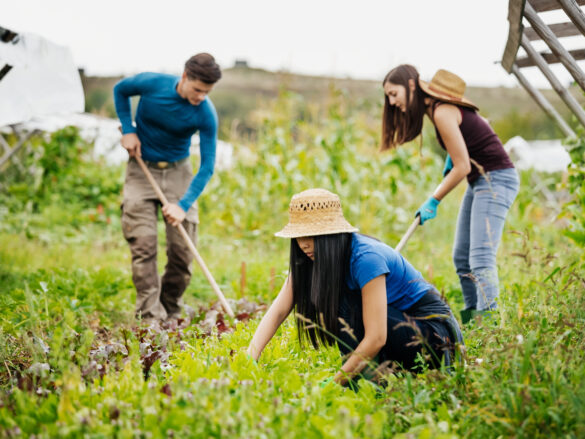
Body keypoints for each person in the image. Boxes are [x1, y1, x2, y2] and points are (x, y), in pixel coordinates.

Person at [247, 189, 463, 385]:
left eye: (310, 236)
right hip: (400, 329)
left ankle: (362, 380)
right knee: (335, 298)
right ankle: (365, 376)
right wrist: (250, 356)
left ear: (331, 235)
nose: (303, 244)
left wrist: (335, 383)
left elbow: (377, 337)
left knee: (345, 305)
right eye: (298, 237)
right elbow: (278, 311)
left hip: (436, 338)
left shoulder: (366, 258)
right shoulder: (312, 259)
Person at [381, 65, 519, 323]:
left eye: (393, 93)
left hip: (496, 179)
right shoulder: (438, 110)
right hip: (480, 181)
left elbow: (462, 166)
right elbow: (480, 126)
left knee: (480, 258)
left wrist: (433, 200)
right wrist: (454, 155)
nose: (392, 101)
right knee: (461, 257)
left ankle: (489, 329)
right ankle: (473, 324)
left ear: (411, 86)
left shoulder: (442, 111)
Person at [113, 53, 221, 323]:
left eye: (206, 93)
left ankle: (170, 307)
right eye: (197, 90)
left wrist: (182, 205)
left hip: (178, 173)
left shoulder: (206, 113)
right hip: (141, 170)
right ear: (184, 77)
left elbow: (207, 166)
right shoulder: (153, 84)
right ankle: (149, 317)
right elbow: (120, 90)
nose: (200, 97)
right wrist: (128, 129)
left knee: (182, 253)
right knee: (144, 245)